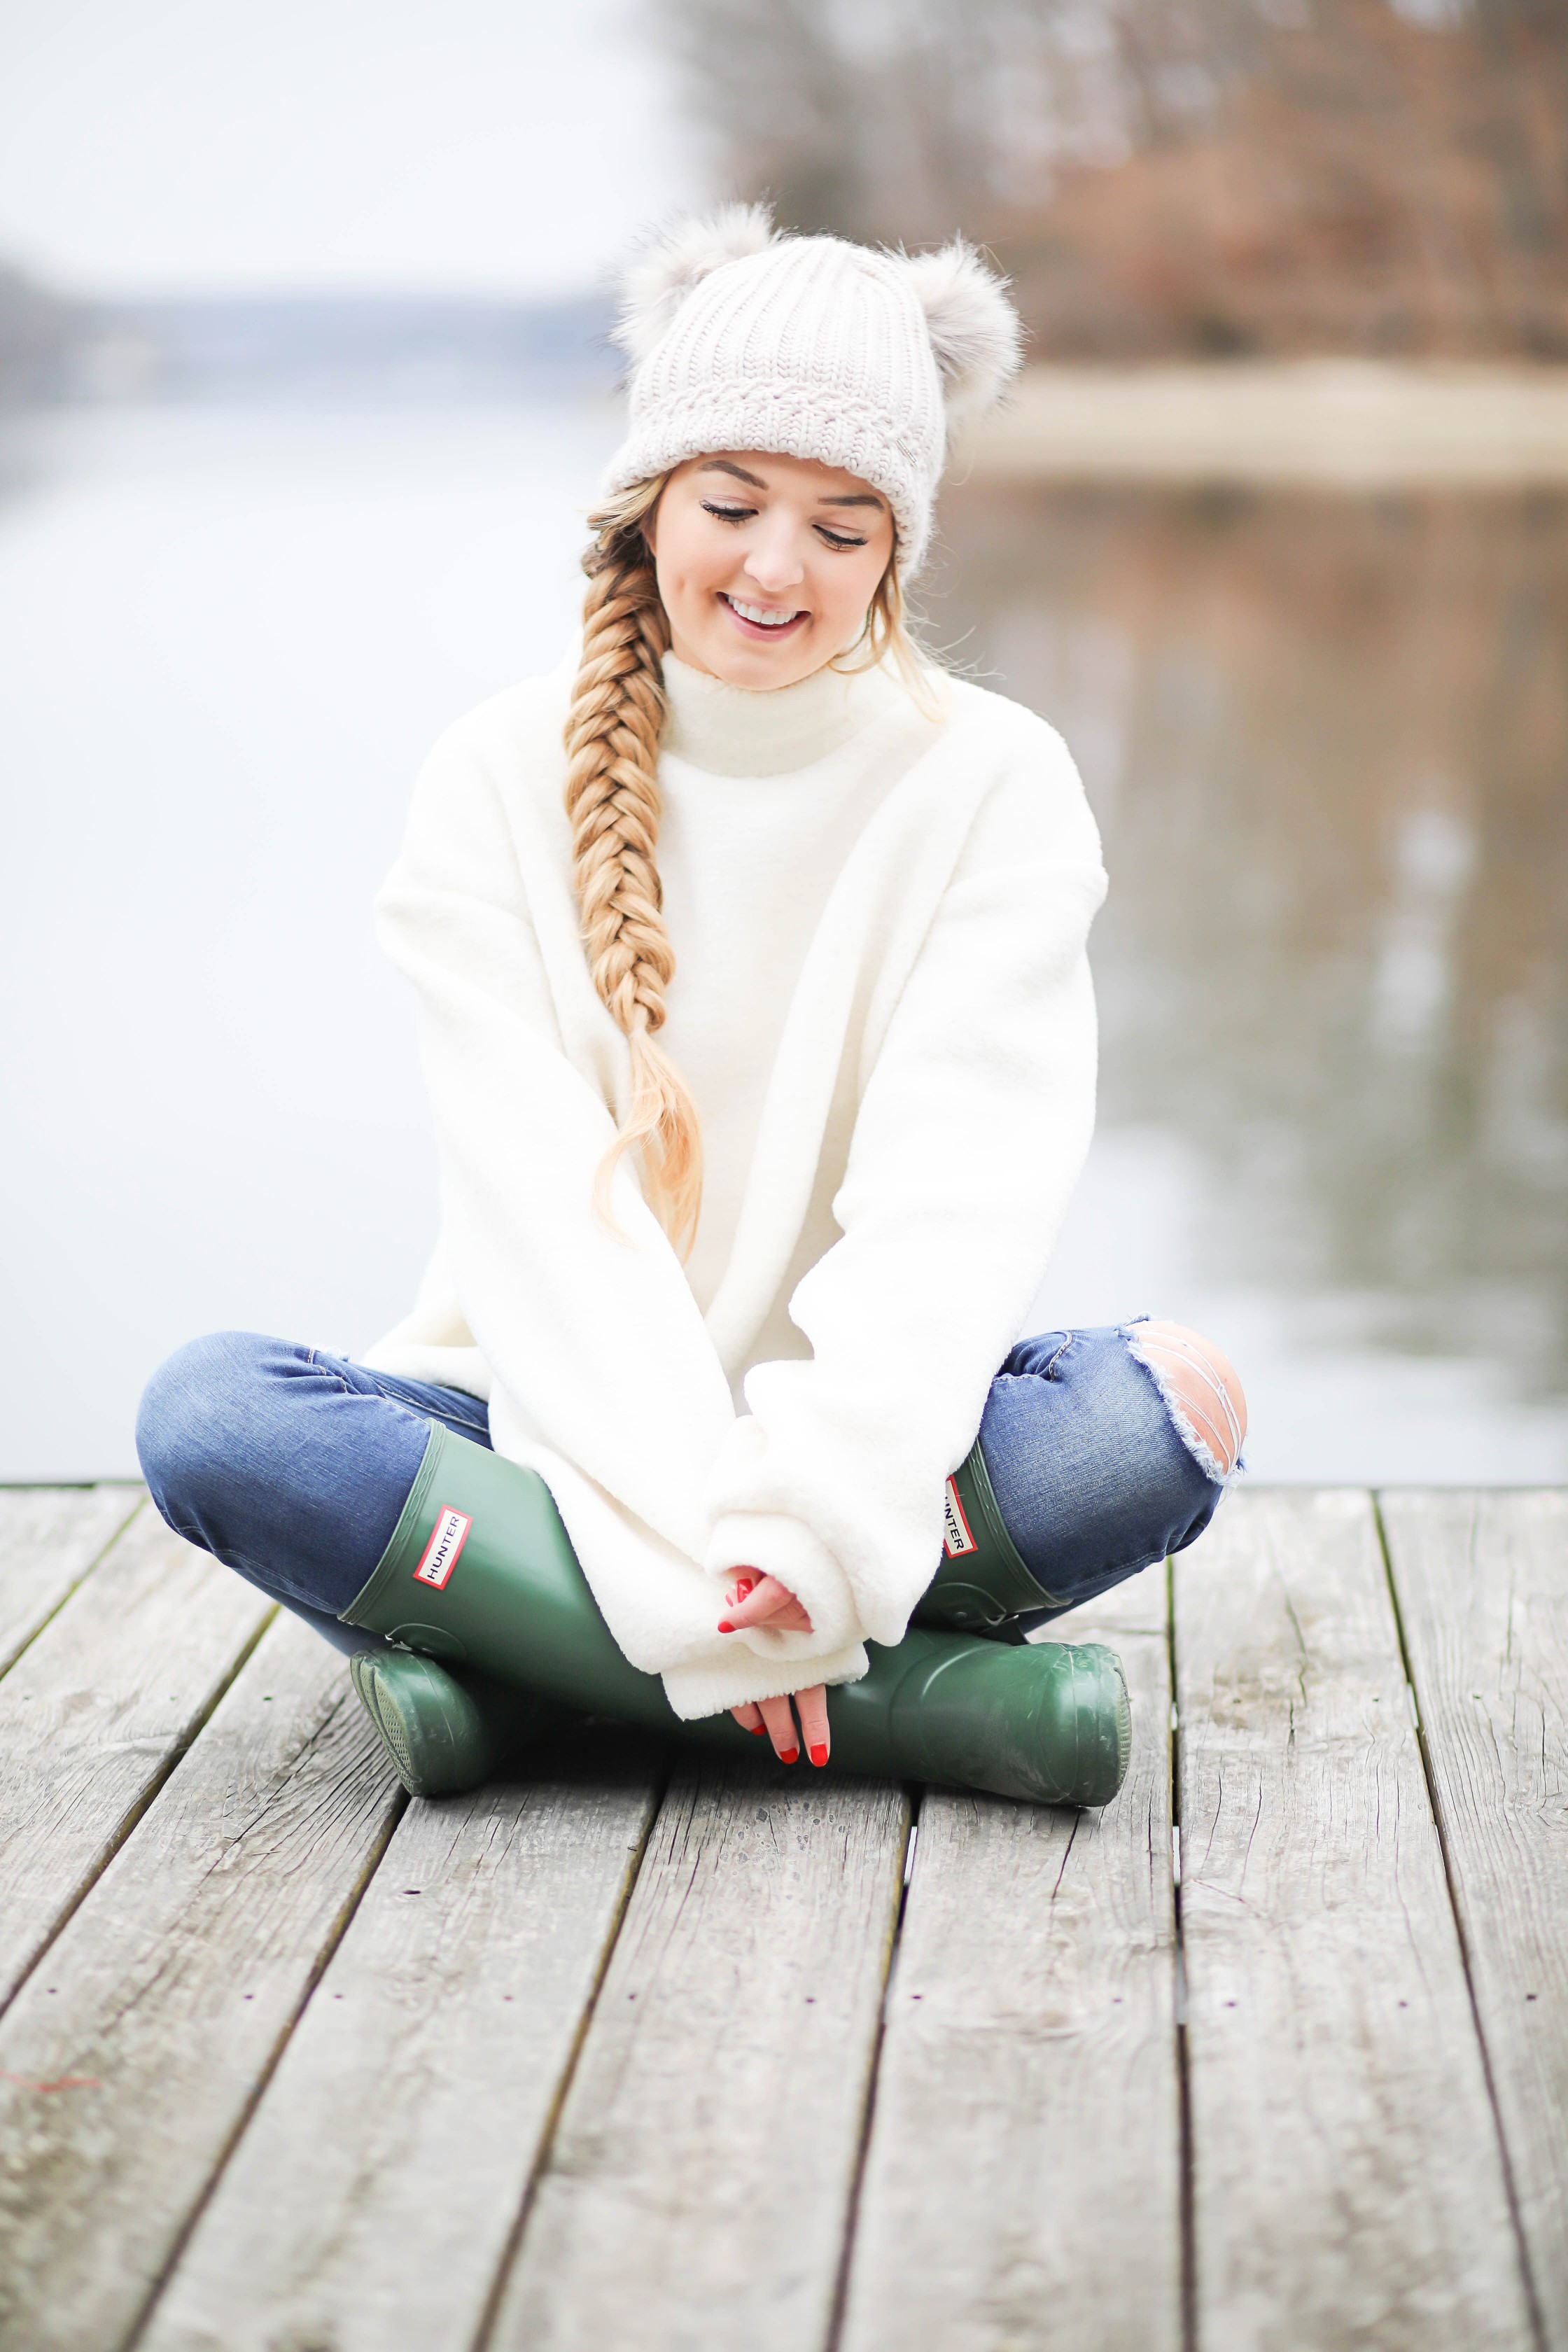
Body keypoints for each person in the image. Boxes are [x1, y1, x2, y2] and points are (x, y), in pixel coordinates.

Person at [136, 204, 1245, 1802]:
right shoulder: (495, 777)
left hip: (858, 1441)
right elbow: (540, 1227)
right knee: (217, 1419)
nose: (778, 568)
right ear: (647, 500)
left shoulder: (991, 783)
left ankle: (525, 1680)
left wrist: (810, 1518)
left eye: (845, 527)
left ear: (898, 548)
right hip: (536, 1409)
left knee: (1160, 1415)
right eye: (731, 503)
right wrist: (694, 1587)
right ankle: (892, 1699)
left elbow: (953, 1212)